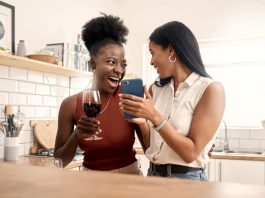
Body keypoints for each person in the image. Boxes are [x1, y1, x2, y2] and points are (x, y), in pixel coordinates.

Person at [119, 21, 225, 180]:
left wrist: (155, 117)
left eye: (153, 53)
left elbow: (190, 153)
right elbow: (151, 148)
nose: (151, 61)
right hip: (153, 175)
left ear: (171, 50)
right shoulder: (155, 89)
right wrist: (141, 123)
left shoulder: (210, 89)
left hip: (187, 182)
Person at [54, 14, 143, 175]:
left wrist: (146, 121)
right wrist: (76, 135)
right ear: (93, 64)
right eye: (111, 62)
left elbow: (152, 151)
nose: (119, 70)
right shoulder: (70, 105)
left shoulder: (129, 97)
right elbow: (59, 161)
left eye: (123, 65)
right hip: (90, 181)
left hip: (130, 178)